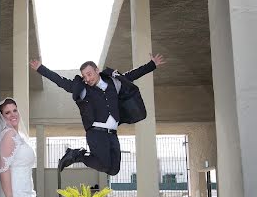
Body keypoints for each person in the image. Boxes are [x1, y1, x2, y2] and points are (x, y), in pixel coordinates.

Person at [30, 54, 165, 175]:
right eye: (84, 76)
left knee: (113, 170)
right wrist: (41, 69)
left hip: (112, 133)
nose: (87, 78)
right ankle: (76, 155)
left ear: (97, 70)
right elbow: (61, 81)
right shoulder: (83, 89)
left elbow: (132, 75)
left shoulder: (114, 82)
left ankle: (76, 154)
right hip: (96, 133)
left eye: (89, 74)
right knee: (104, 164)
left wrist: (152, 65)